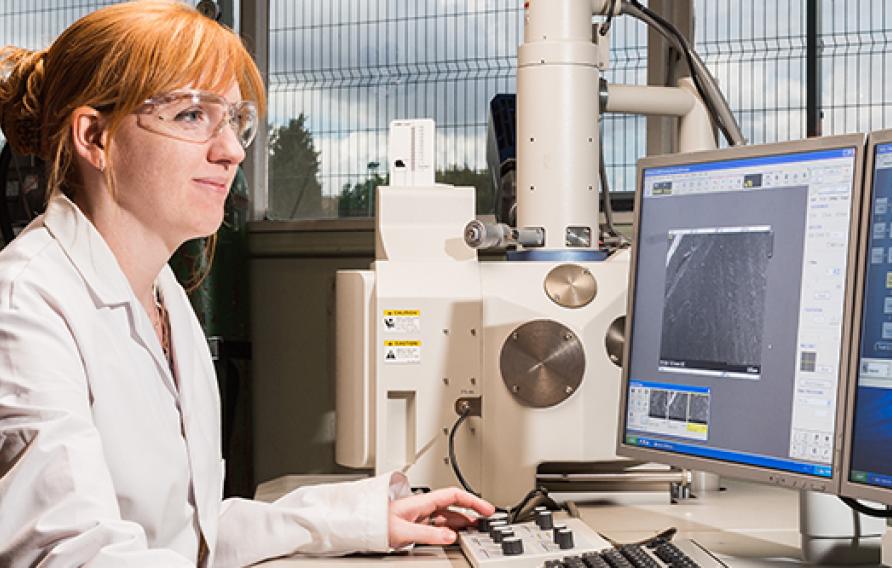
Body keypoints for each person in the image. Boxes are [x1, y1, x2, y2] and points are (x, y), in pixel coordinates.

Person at [0, 1, 494, 566]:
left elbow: (193, 534)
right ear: (95, 136)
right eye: (192, 115)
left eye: (236, 120)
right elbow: (73, 555)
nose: (233, 150)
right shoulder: (25, 307)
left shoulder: (161, 294)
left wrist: (361, 520)